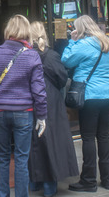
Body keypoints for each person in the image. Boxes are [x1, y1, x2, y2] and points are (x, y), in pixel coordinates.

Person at [0, 14, 47, 197]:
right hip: (23, 112)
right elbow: (39, 91)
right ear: (26, 31)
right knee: (21, 159)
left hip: (0, 111)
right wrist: (42, 116)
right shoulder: (33, 55)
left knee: (2, 158)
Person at [62, 15, 109, 192]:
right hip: (108, 93)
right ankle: (108, 179)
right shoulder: (108, 43)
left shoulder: (83, 45)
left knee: (87, 137)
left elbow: (66, 60)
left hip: (90, 94)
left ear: (81, 29)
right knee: (103, 135)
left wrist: (72, 41)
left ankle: (88, 180)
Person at [28, 21, 78, 197]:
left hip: (31, 101)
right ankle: (50, 187)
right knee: (52, 141)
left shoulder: (26, 55)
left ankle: (34, 182)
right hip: (51, 102)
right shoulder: (51, 56)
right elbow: (62, 79)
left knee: (34, 141)